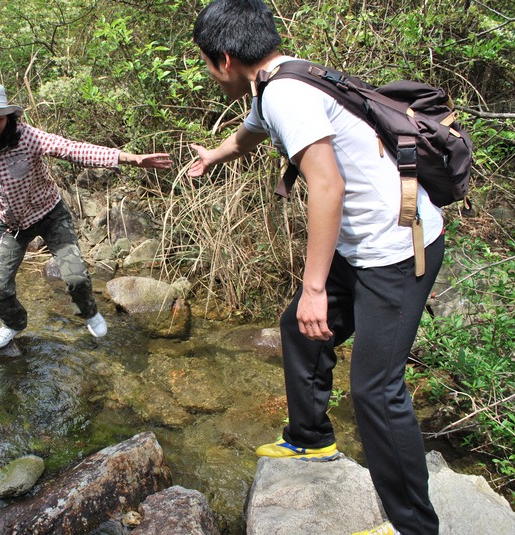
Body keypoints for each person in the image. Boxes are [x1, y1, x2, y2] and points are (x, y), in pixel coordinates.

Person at [189, 2, 444, 535]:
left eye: (207, 66)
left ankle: (413, 527)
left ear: (226, 59)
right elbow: (251, 133)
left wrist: (312, 288)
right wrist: (214, 155)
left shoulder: (286, 93)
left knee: (377, 390)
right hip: (365, 246)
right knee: (298, 332)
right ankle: (310, 438)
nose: (209, 77)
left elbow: (328, 186)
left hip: (396, 251)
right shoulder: (280, 79)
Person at [0, 82, 173, 348]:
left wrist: (129, 159)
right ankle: (14, 323)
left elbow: (72, 149)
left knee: (75, 275)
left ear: (8, 118)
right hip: (12, 226)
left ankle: (89, 311)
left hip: (50, 214)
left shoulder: (26, 137)